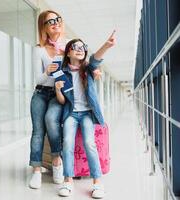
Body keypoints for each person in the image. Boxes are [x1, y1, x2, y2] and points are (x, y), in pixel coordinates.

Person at [54, 31, 116, 198]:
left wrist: (107, 44)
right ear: (68, 52)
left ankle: (97, 182)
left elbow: (96, 59)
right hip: (71, 114)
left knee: (90, 143)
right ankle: (68, 180)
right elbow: (61, 101)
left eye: (83, 47)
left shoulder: (88, 69)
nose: (81, 49)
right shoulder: (62, 73)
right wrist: (58, 89)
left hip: (87, 113)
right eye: (76, 47)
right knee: (67, 143)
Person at [28, 10, 66, 189]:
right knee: (37, 131)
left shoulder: (67, 47)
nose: (55, 23)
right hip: (41, 93)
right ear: (43, 27)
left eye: (57, 19)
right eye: (50, 21)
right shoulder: (39, 50)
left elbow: (80, 67)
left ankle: (57, 162)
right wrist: (47, 71)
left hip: (57, 94)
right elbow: (38, 80)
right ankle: (36, 170)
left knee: (52, 120)